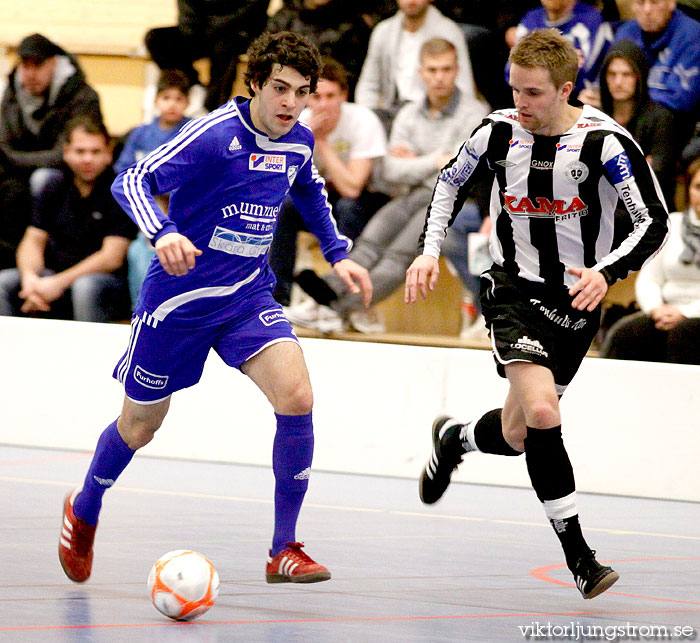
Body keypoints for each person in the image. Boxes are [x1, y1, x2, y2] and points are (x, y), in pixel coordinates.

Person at [57, 31, 371, 585]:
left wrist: (337, 251)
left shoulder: (297, 139)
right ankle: (84, 509)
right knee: (140, 425)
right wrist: (162, 232)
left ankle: (284, 549)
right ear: (254, 84)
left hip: (247, 295)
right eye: (279, 88)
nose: (291, 104)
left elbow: (309, 191)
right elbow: (130, 179)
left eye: (302, 92)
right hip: (177, 301)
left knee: (297, 394)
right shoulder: (212, 133)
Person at [405, 29, 669, 599]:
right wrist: (429, 251)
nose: (520, 104)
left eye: (533, 93)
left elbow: (653, 220)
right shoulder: (498, 131)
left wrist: (607, 272)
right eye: (515, 90)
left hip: (577, 300)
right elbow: (448, 184)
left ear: (566, 90)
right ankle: (581, 558)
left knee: (518, 432)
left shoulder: (605, 143)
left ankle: (454, 440)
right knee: (544, 410)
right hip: (512, 290)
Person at [287, 38, 488, 333]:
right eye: (432, 70)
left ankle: (336, 307)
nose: (439, 77)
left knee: (397, 256)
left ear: (457, 70)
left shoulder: (474, 113)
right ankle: (325, 294)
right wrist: (434, 160)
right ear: (420, 72)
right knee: (369, 243)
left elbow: (458, 171)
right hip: (412, 195)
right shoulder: (408, 113)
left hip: (452, 200)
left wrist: (417, 162)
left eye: (446, 69)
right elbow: (392, 170)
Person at [269, 57, 388, 307]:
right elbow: (278, 183)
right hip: (323, 196)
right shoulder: (297, 124)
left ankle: (337, 293)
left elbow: (353, 187)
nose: (323, 104)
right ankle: (279, 297)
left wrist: (320, 141)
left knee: (347, 207)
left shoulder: (363, 121)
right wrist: (301, 139)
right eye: (317, 97)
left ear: (344, 95)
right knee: (284, 207)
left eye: (331, 96)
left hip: (369, 201)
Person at [0, 117, 135, 322]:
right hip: (52, 275)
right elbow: (33, 241)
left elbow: (111, 257)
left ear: (109, 154)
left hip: (103, 281)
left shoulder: (121, 191)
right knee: (3, 282)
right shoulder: (53, 185)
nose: (87, 159)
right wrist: (30, 282)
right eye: (80, 151)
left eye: (95, 151)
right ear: (66, 152)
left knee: (85, 287)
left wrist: (58, 283)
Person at [0, 33, 102, 268]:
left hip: (67, 174)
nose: (31, 73)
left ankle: (41, 259)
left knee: (42, 179)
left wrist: (15, 160)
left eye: (38, 65)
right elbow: (3, 144)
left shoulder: (81, 95)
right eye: (25, 65)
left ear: (54, 63)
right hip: (18, 171)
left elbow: (66, 155)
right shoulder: (12, 93)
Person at [601, 157, 700, 364]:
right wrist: (656, 309)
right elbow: (649, 278)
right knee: (627, 334)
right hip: (664, 311)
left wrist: (684, 312)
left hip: (692, 317)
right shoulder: (672, 223)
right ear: (688, 190)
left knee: (684, 334)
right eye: (698, 187)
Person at [114, 70, 192, 309]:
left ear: (188, 103)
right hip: (143, 210)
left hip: (182, 211)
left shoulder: (192, 131)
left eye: (179, 99)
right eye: (166, 98)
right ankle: (141, 308)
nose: (172, 105)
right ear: (156, 101)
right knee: (139, 252)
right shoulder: (140, 134)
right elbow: (123, 170)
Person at [580, 39, 676, 208]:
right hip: (602, 209)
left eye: (626, 75)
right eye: (612, 74)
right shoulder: (595, 118)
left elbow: (655, 177)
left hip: (649, 208)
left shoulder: (661, 118)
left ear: (639, 76)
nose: (618, 82)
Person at [354, 0, 483, 124]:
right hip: (391, 112)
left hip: (434, 114)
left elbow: (464, 86)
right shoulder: (383, 31)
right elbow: (369, 84)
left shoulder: (449, 32)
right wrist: (367, 120)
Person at [144, 0, 269, 113]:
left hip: (237, 31)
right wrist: (199, 28)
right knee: (155, 39)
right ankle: (193, 84)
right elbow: (187, 17)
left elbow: (253, 9)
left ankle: (212, 109)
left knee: (225, 48)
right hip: (201, 29)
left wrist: (217, 26)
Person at [611, 0, 700, 146]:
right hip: (629, 126)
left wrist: (630, 98)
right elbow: (606, 84)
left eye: (654, 2)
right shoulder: (626, 32)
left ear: (671, 3)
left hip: (679, 131)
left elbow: (680, 99)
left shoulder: (692, 35)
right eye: (640, 3)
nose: (647, 10)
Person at [508, 0, 613, 99]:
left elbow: (576, 72)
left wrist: (534, 58)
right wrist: (560, 58)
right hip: (529, 97)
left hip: (578, 99)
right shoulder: (531, 18)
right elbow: (511, 70)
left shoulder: (591, 19)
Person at [266, 0, 373, 95]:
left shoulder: (353, 24)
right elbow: (269, 62)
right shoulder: (283, 18)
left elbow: (355, 74)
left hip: (332, 97)